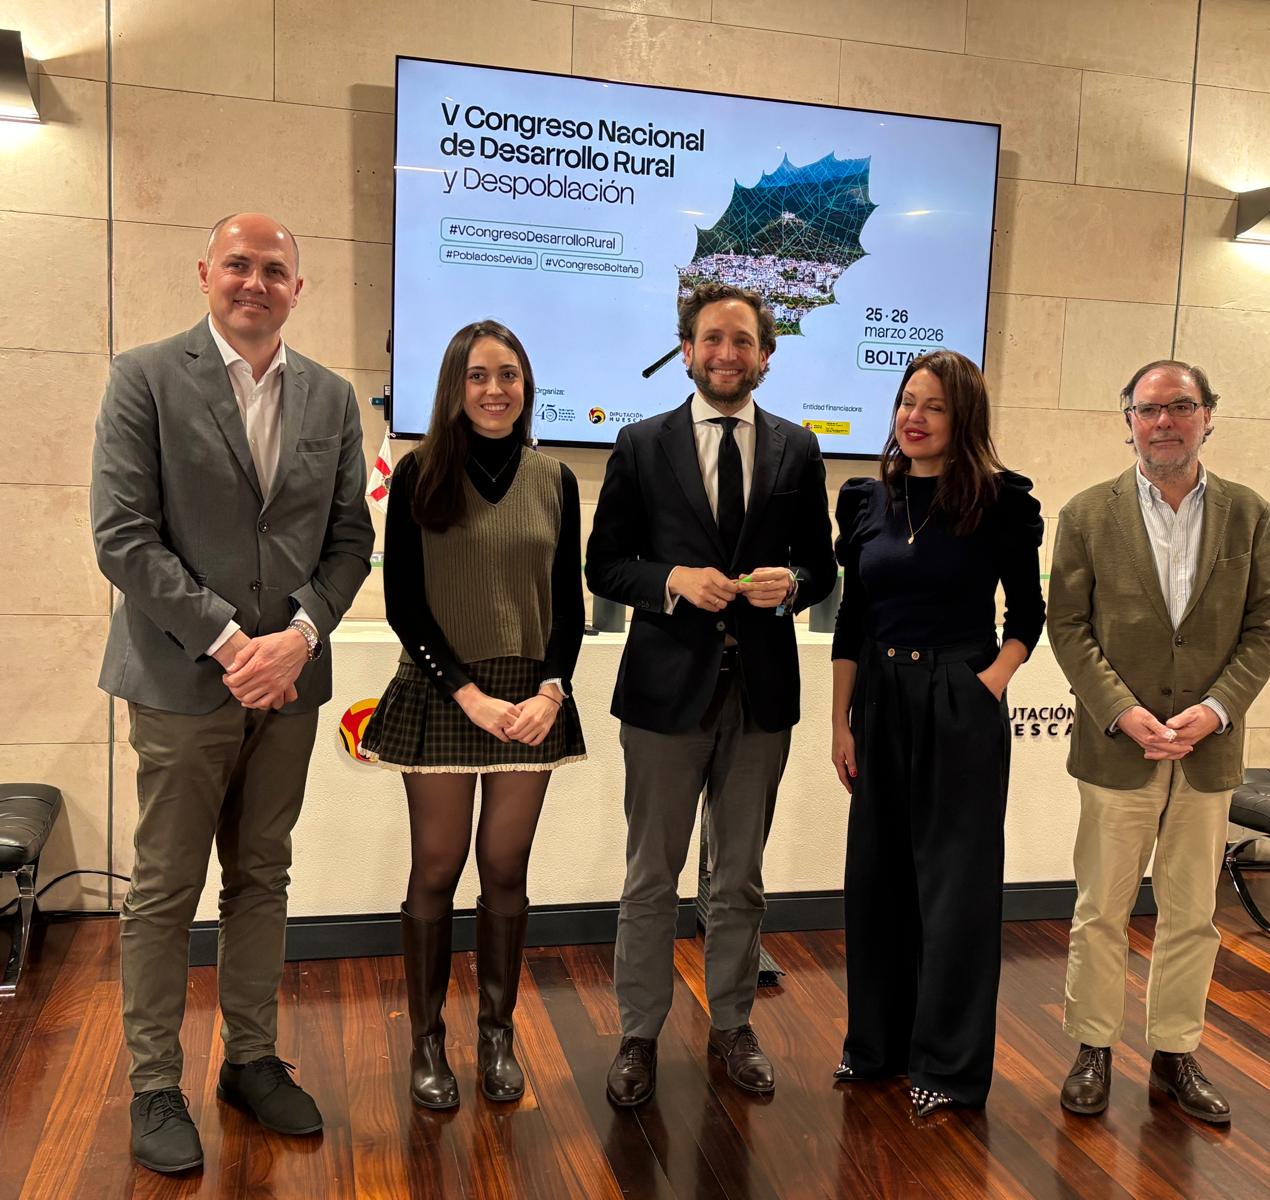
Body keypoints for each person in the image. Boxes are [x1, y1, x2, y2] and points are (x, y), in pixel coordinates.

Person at [91, 213, 373, 1173]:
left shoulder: (331, 396)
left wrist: (299, 637)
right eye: (239, 265)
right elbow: (122, 535)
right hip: (181, 679)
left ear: (299, 288)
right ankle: (154, 1084)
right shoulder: (144, 377)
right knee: (165, 887)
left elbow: (350, 540)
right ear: (205, 272)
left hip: (289, 684)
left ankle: (250, 1060)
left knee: (263, 875)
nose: (256, 282)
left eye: (275, 269)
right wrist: (227, 641)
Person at [586, 281, 835, 1106]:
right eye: (712, 340)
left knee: (739, 878)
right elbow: (605, 565)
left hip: (760, 696)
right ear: (687, 351)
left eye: (743, 341)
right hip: (664, 695)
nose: (728, 354)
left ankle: (732, 1024)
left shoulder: (799, 449)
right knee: (650, 878)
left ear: (767, 355)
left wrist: (793, 585)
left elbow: (821, 566)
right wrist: (672, 581)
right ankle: (638, 1034)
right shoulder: (640, 444)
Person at [1047, 360, 1270, 1125]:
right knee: (1101, 908)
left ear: (1208, 415)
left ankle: (1176, 1052)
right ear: (1129, 421)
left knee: (1192, 913)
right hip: (1118, 748)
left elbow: (1268, 623)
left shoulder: (1250, 514)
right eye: (1149, 409)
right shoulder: (1088, 514)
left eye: (1181, 406)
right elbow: (1068, 626)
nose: (1164, 422)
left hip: (1207, 752)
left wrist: (1218, 709)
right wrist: (1120, 710)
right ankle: (1092, 1046)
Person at [360, 319, 585, 1110]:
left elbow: (566, 605)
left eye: (509, 375)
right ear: (455, 385)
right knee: (436, 865)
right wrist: (468, 693)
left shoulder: (556, 479)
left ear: (527, 386)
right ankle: (427, 1041)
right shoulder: (419, 473)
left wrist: (551, 691)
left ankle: (497, 1036)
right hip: (445, 691)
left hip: (530, 697)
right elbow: (404, 603)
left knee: (506, 869)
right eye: (479, 375)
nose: (496, 389)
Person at [828, 350, 1045, 1117]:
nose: (913, 418)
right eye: (907, 402)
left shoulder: (1000, 501)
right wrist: (840, 720)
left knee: (955, 888)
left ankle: (948, 1069)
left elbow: (1027, 615)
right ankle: (876, 1047)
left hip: (959, 694)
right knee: (876, 877)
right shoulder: (866, 500)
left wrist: (987, 685)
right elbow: (853, 618)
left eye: (935, 406)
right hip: (879, 697)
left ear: (963, 419)